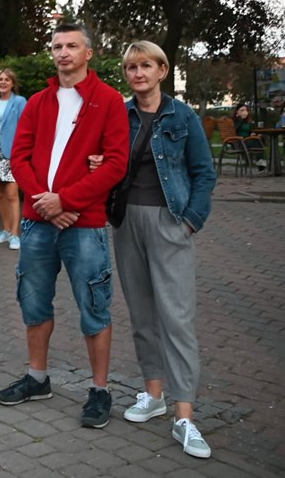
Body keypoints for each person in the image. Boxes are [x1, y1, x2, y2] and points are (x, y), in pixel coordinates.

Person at [0, 23, 129, 430]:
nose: (63, 52)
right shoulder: (38, 101)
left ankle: (100, 389)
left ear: (89, 52)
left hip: (84, 224)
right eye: (57, 46)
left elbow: (116, 164)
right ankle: (37, 378)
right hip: (39, 222)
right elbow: (19, 158)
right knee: (33, 303)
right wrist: (45, 203)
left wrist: (66, 201)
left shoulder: (108, 101)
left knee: (94, 306)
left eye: (72, 45)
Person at [91, 42, 217, 458]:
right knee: (143, 314)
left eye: (146, 65)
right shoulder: (119, 114)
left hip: (169, 221)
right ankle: (154, 394)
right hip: (127, 223)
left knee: (176, 317)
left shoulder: (182, 116)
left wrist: (190, 221)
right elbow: (108, 162)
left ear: (162, 70)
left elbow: (203, 172)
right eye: (131, 67)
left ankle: (185, 415)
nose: (138, 73)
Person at [0, 68, 28, 250]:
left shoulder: (19, 101)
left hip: (11, 151)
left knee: (12, 194)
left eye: (6, 80)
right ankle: (6, 230)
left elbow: (26, 127)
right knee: (0, 194)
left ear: (12, 83)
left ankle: (16, 235)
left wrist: (24, 151)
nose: (2, 82)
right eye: (0, 79)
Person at [232, 103, 266, 170]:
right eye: (242, 110)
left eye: (246, 110)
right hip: (239, 142)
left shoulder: (248, 122)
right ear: (237, 111)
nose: (244, 112)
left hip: (248, 141)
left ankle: (260, 160)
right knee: (256, 141)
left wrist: (253, 134)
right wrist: (242, 119)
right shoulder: (234, 120)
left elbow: (250, 131)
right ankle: (260, 161)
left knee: (259, 138)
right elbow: (236, 130)